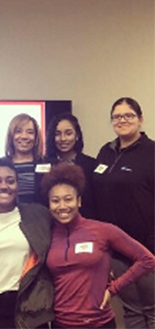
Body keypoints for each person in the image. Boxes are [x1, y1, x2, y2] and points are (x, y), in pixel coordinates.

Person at [42, 162, 155, 329]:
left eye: (68, 199)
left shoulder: (102, 230)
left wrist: (113, 289)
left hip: (99, 323)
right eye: (55, 201)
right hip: (61, 324)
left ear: (79, 201)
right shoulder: (47, 235)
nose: (62, 206)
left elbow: (147, 259)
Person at [0, 157, 53, 329]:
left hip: (27, 306)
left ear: (18, 186)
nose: (4, 186)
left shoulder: (38, 215)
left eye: (10, 181)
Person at [92, 97, 155, 329]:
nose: (122, 120)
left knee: (151, 310)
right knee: (132, 311)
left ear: (140, 119)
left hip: (146, 249)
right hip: (116, 250)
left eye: (128, 115)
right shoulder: (106, 152)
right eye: (117, 116)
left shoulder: (152, 153)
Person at [44, 113, 97, 218]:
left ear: (77, 136)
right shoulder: (43, 165)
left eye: (68, 133)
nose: (63, 139)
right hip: (52, 225)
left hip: (86, 223)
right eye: (57, 134)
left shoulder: (91, 165)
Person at [5, 113, 46, 204]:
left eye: (30, 132)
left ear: (36, 137)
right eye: (18, 131)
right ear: (11, 136)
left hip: (39, 217)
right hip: (8, 217)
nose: (24, 136)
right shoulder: (0, 165)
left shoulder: (46, 164)